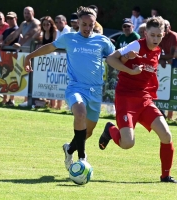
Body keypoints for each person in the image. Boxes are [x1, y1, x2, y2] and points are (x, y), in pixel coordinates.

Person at [23, 6, 115, 170]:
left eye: (91, 25)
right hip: (75, 88)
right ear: (78, 23)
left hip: (95, 91)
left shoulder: (103, 41)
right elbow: (50, 47)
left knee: (87, 132)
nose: (87, 28)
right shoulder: (69, 38)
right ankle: (81, 158)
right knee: (80, 112)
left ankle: (69, 149)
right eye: (84, 24)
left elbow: (116, 57)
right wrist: (30, 56)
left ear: (95, 24)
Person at [99, 16, 177, 184]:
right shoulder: (136, 44)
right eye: (153, 35)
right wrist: (130, 70)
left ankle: (166, 176)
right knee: (127, 143)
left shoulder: (158, 52)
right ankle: (110, 129)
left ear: (163, 34)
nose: (156, 39)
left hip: (144, 99)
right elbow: (110, 59)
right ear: (145, 33)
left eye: (159, 35)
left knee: (166, 135)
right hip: (126, 98)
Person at [4, 6, 40, 107]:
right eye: (25, 13)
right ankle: (23, 100)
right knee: (22, 76)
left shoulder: (36, 23)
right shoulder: (23, 24)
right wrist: (4, 42)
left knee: (30, 77)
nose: (26, 15)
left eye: (28, 13)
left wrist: (21, 43)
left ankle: (28, 100)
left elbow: (29, 35)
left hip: (32, 53)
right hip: (23, 53)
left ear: (33, 13)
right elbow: (15, 34)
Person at [158, 19, 177, 120]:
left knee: (176, 92)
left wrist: (161, 58)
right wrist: (161, 59)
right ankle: (167, 116)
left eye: (165, 27)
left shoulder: (174, 37)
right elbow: (156, 50)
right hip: (168, 65)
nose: (164, 29)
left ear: (169, 27)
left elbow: (173, 54)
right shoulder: (160, 35)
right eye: (162, 27)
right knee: (166, 91)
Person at [33, 16, 57, 108]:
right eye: (44, 24)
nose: (46, 26)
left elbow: (53, 44)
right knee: (44, 79)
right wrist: (40, 29)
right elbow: (34, 38)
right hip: (44, 58)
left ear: (51, 24)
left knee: (52, 81)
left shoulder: (54, 32)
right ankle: (43, 101)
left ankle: (53, 104)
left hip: (52, 58)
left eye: (48, 24)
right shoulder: (42, 33)